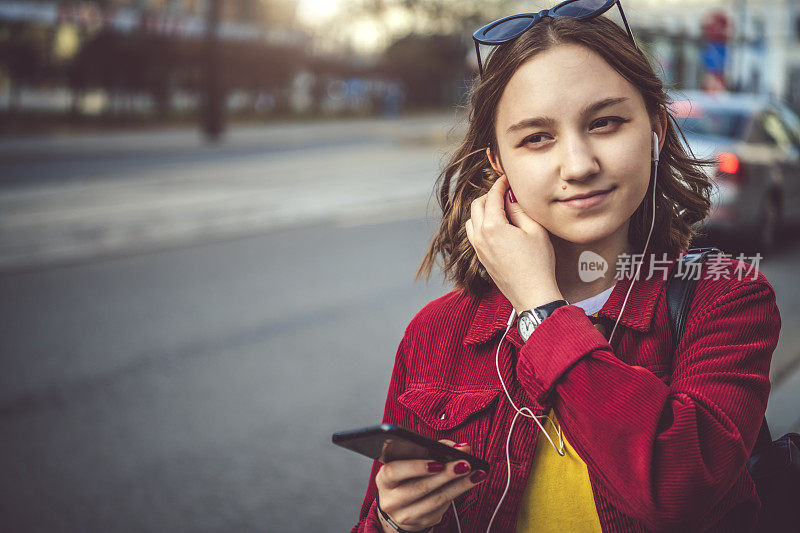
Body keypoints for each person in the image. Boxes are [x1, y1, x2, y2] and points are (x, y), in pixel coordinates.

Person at [351, 7, 781, 533]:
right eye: (536, 137)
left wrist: (540, 307)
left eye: (605, 123)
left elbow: (678, 489)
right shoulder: (438, 333)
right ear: (498, 166)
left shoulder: (728, 300)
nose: (578, 165)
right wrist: (396, 523)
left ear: (656, 131)